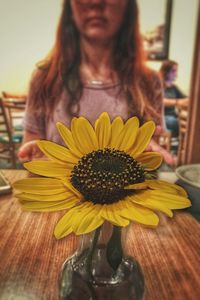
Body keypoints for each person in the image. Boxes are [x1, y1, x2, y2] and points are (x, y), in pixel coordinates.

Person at [18, 0, 175, 165]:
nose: (95, 2)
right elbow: (30, 154)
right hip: (56, 189)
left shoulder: (148, 82)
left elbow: (151, 165)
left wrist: (147, 154)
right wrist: (37, 155)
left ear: (128, 6)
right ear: (69, 8)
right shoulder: (44, 79)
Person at [159, 60, 188, 136]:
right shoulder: (158, 85)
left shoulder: (174, 87)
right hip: (162, 117)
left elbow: (185, 99)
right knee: (183, 124)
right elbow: (160, 101)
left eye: (176, 71)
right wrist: (177, 102)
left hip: (173, 116)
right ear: (166, 71)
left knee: (189, 122)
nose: (176, 74)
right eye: (173, 71)